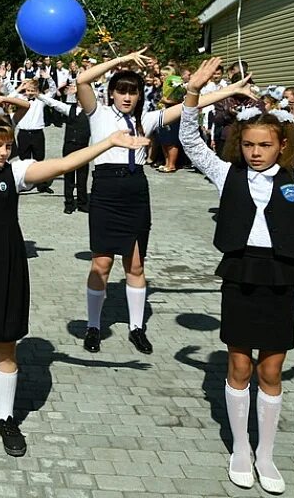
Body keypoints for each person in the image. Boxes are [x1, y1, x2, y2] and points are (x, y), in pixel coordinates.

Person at [0, 77, 149, 457]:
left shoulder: (15, 173)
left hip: (6, 263)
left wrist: (107, 144)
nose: (2, 152)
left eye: (7, 145)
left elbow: (64, 163)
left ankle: (5, 418)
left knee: (6, 350)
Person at [180, 57, 294, 493]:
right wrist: (194, 92)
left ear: (282, 147)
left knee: (270, 371)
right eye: (250, 144)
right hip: (240, 270)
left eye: (266, 146)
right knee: (239, 365)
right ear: (241, 144)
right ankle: (240, 448)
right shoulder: (226, 173)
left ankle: (266, 454)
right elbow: (191, 142)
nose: (256, 152)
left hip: (281, 275)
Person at [75, 48, 254, 354]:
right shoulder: (98, 113)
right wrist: (121, 61)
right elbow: (82, 80)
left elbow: (189, 105)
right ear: (113, 93)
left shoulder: (147, 119)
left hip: (135, 190)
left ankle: (136, 328)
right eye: (122, 91)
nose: (127, 97)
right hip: (105, 190)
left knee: (135, 265)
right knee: (101, 264)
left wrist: (229, 90)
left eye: (133, 92)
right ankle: (93, 326)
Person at [39, 82, 91, 213]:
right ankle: (69, 203)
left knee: (82, 176)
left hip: (83, 148)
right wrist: (38, 95)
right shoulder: (69, 109)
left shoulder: (91, 113)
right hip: (69, 146)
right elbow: (53, 103)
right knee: (69, 176)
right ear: (78, 99)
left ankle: (82, 203)